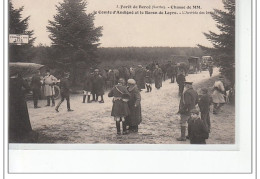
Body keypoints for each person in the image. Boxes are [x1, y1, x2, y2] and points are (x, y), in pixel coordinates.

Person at [9, 71, 37, 142]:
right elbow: (28, 88)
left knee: (13, 116)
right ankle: (25, 131)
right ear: (17, 73)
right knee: (23, 115)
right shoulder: (20, 80)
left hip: (11, 100)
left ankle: (14, 132)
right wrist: (22, 92)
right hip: (20, 100)